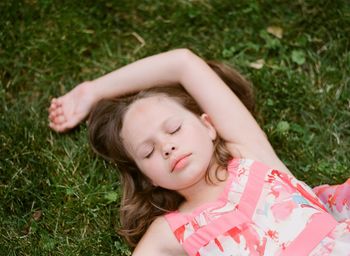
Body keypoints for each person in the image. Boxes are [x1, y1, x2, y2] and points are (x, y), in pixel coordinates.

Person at [48, 49, 350, 255]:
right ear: (147, 178)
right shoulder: (170, 231)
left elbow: (182, 63)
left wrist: (94, 90)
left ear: (209, 126)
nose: (167, 147)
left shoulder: (249, 155)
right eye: (148, 151)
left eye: (174, 128)